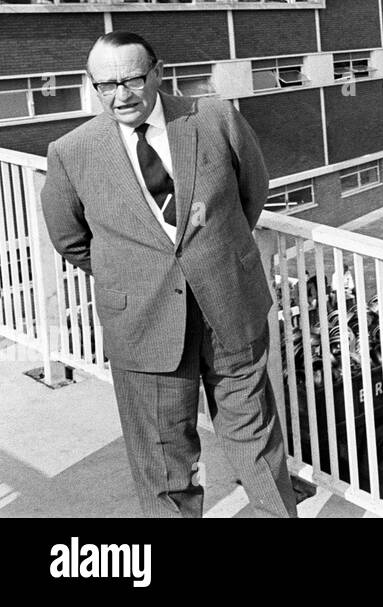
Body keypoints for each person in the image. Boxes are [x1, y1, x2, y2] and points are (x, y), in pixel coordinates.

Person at [41, 31, 297, 518]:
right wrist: (136, 277)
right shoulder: (72, 152)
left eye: (133, 79)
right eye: (105, 85)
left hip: (228, 304)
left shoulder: (214, 118)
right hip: (143, 323)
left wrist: (212, 255)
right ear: (92, 86)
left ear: (158, 72)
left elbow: (251, 193)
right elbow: (70, 239)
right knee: (163, 463)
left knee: (257, 443)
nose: (121, 96)